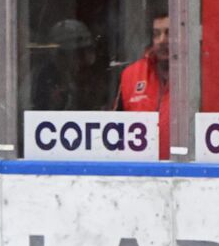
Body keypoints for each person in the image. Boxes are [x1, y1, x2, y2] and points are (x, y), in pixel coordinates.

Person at [116, 11, 170, 159]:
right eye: (156, 34)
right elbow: (115, 130)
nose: (162, 40)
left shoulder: (198, 76)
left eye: (169, 33)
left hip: (186, 172)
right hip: (139, 172)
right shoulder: (130, 75)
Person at [32, 18, 110, 111]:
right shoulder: (42, 78)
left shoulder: (97, 77)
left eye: (88, 51)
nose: (82, 61)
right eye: (78, 53)